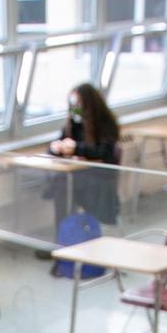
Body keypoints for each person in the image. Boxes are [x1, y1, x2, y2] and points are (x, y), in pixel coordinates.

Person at [45, 82, 121, 228]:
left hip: (99, 178)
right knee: (62, 184)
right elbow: (58, 143)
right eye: (73, 105)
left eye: (79, 104)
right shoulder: (73, 124)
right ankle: (63, 234)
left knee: (64, 185)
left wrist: (76, 149)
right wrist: (56, 148)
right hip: (77, 176)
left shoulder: (105, 124)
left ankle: (72, 232)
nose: (76, 108)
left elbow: (104, 153)